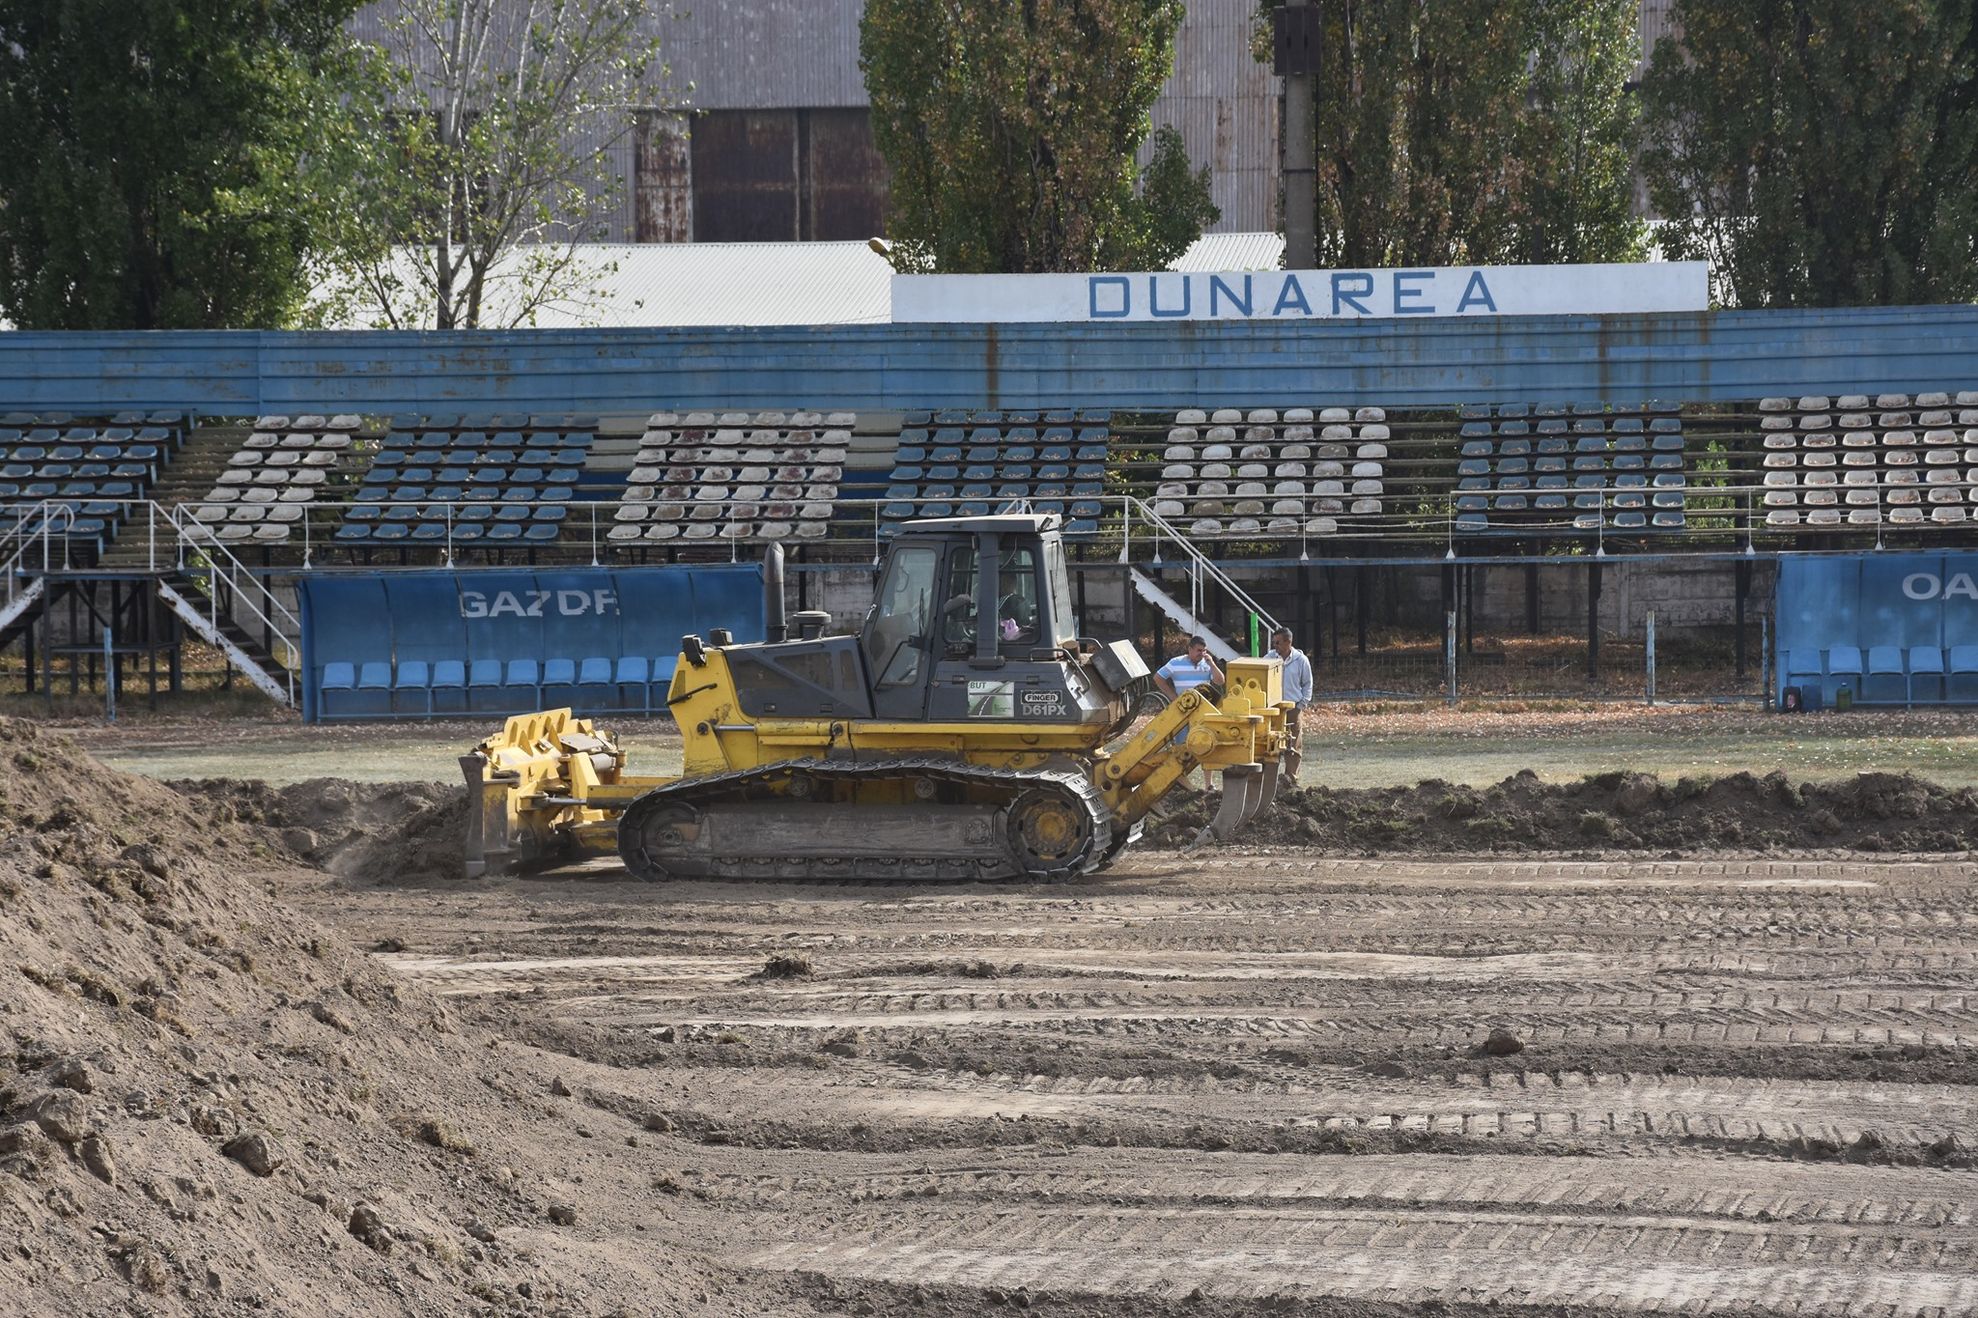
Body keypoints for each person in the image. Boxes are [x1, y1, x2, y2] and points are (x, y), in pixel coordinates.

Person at [1155, 635, 1224, 789]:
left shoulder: (1207, 664)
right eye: (1199, 650)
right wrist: (1173, 697)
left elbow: (1220, 681)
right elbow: (1158, 678)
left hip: (1203, 713)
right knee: (1182, 747)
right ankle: (1181, 783)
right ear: (1190, 649)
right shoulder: (1175, 663)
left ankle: (1209, 784)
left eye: (1204, 650)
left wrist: (1212, 663)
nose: (1202, 653)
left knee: (1206, 746)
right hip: (1183, 712)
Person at [1270, 625, 1312, 777]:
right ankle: (1271, 780)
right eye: (1274, 643)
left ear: (1288, 642)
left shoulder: (1301, 660)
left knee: (1293, 745)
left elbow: (1307, 683)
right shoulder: (1269, 658)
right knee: (1271, 744)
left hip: (1293, 708)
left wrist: (1302, 703)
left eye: (1278, 643)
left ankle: (1291, 778)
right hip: (1273, 709)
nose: (1275, 646)